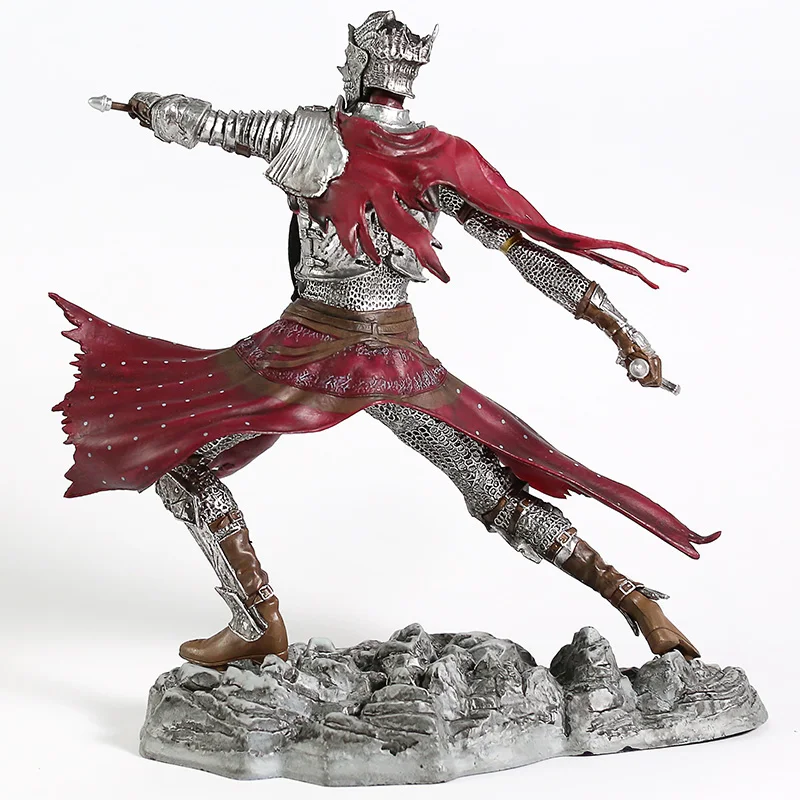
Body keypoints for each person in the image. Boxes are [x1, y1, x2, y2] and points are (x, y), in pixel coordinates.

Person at [53, 10, 719, 668]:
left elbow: (211, 123)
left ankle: (257, 621)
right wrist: (619, 328)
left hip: (305, 353)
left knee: (183, 466)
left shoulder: (308, 132)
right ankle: (635, 600)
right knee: (493, 491)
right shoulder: (440, 157)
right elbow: (521, 250)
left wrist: (143, 105)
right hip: (396, 360)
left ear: (357, 67)